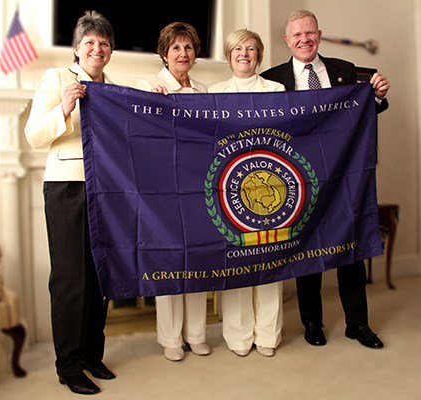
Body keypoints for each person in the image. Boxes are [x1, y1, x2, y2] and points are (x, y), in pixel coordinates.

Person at [261, 9, 390, 349]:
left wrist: (376, 96)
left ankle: (358, 324)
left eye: (309, 33)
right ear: (287, 41)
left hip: (344, 175)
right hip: (300, 179)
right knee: (306, 252)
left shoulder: (345, 71)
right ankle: (312, 323)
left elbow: (364, 112)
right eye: (296, 35)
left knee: (351, 248)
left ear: (319, 34)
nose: (304, 39)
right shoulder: (272, 78)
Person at [25, 11, 116, 395]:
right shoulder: (57, 79)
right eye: (90, 42)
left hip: (106, 191)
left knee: (99, 277)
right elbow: (33, 135)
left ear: (110, 50)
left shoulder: (113, 88)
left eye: (104, 43)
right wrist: (63, 107)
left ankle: (92, 355)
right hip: (67, 188)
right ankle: (68, 365)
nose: (98, 48)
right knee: (70, 280)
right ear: (77, 48)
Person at [135, 22, 210, 362]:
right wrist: (154, 105)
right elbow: (137, 132)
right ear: (164, 54)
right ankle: (170, 339)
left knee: (196, 258)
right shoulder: (147, 86)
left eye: (189, 48)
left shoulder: (205, 91)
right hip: (163, 188)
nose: (183, 54)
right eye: (176, 48)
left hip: (197, 186)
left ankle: (196, 335)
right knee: (169, 260)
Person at [208, 29, 285, 357]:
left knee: (269, 259)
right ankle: (239, 337)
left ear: (259, 54)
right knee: (237, 259)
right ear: (229, 55)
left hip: (269, 181)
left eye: (251, 48)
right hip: (231, 185)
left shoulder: (277, 89)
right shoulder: (214, 91)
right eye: (238, 48)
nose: (244, 53)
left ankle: (268, 335)